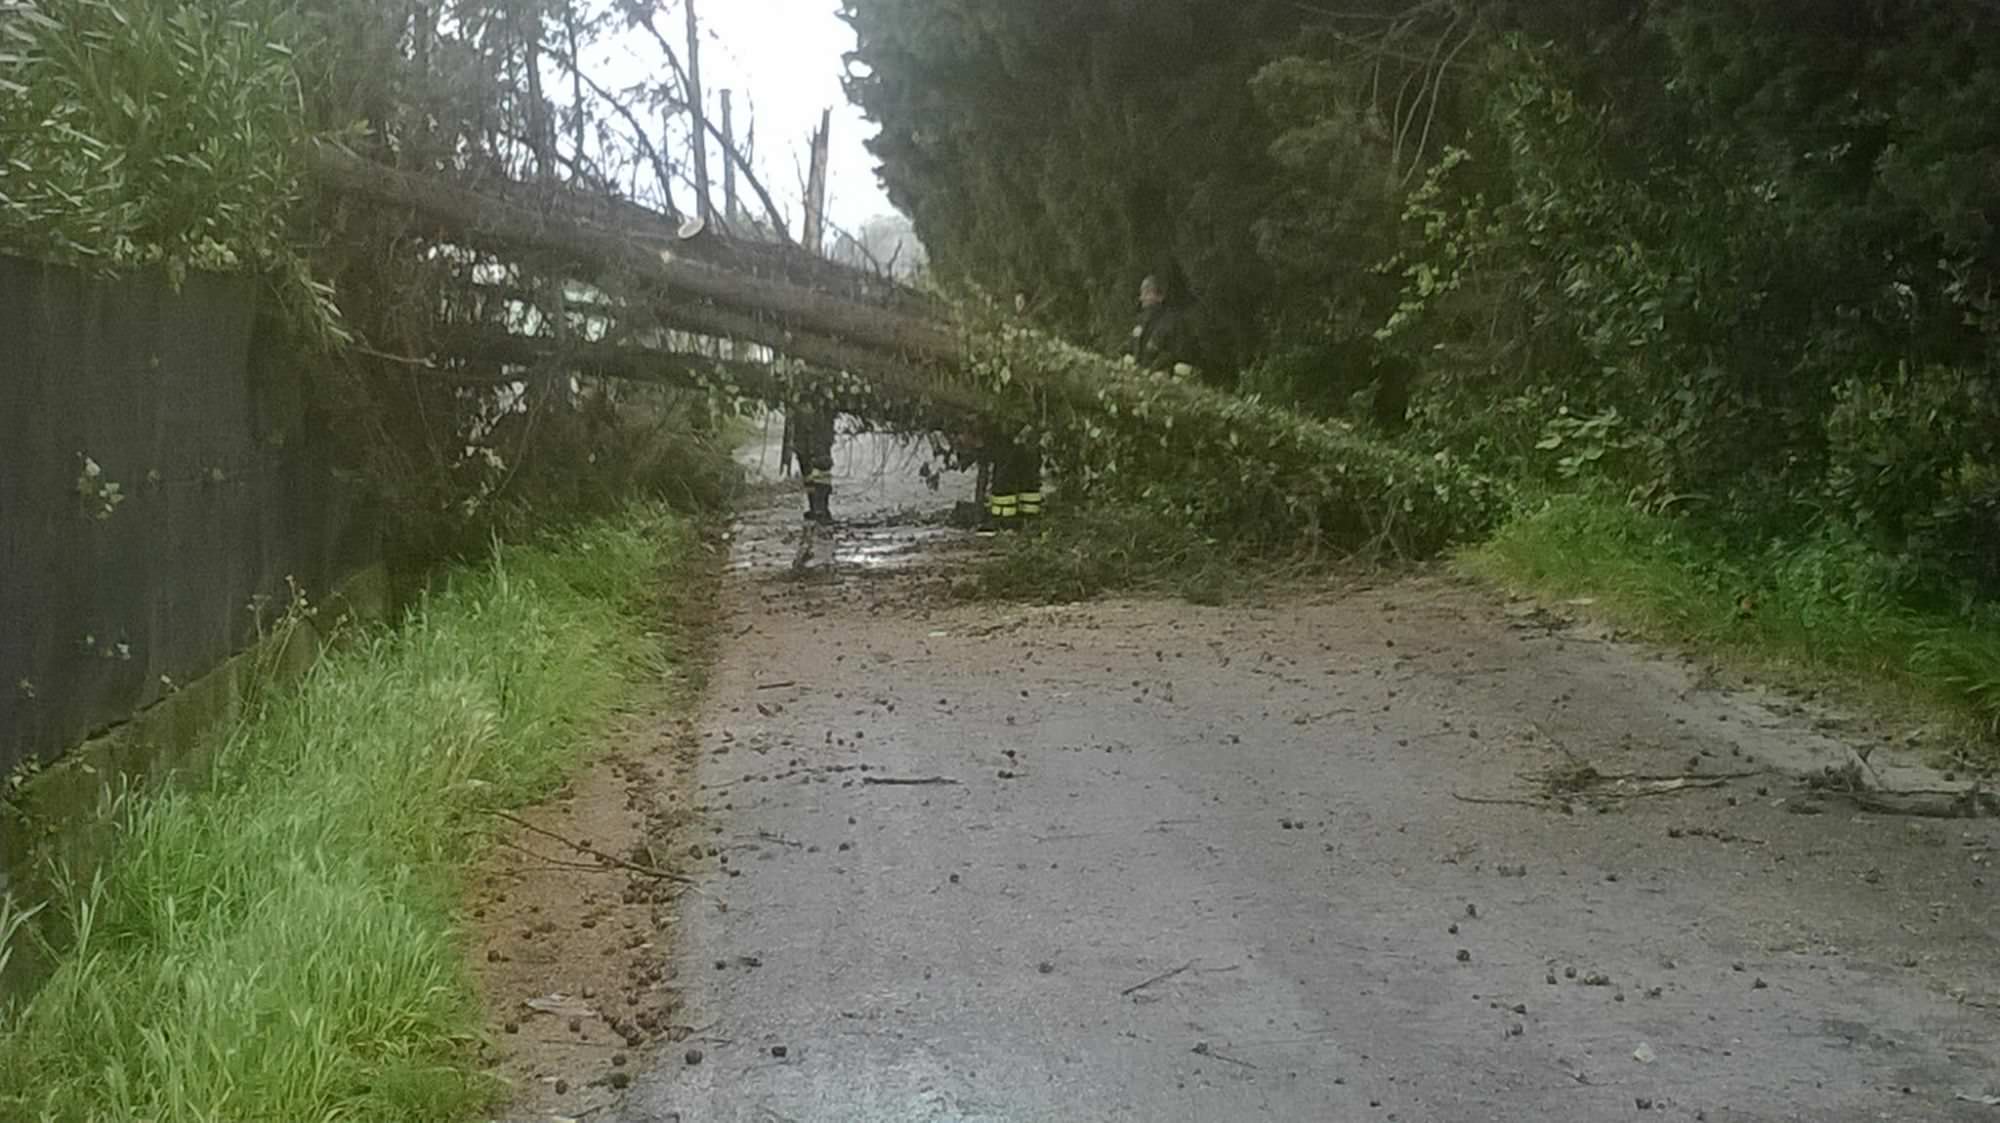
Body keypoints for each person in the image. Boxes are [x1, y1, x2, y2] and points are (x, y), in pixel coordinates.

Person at [1124, 274, 1189, 373]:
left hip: (1160, 379)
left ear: (1160, 296)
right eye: (1142, 293)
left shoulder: (1171, 321)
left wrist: (1152, 370)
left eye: (1147, 293)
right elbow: (1129, 346)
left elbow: (1173, 353)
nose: (1142, 298)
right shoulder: (1140, 320)